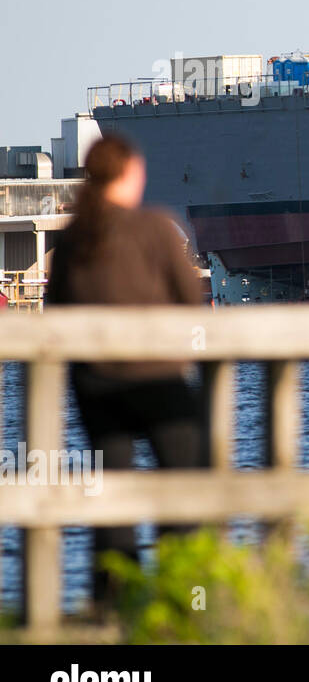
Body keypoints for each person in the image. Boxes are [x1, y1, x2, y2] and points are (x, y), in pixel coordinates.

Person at [46, 133, 208, 607]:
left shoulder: (74, 240)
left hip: (97, 390)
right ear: (129, 176)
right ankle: (187, 598)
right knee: (184, 488)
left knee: (112, 492)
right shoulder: (156, 228)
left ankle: (111, 601)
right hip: (159, 383)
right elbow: (191, 301)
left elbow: (57, 314)